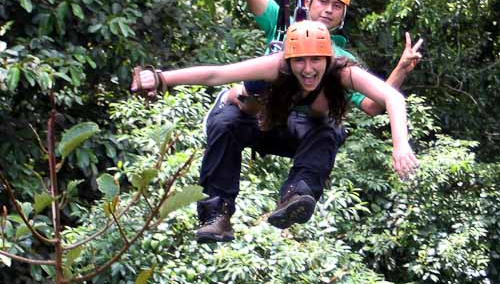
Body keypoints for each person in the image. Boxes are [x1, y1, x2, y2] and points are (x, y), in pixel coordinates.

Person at [132, 20, 418, 243]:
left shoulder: (342, 72)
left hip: (288, 129)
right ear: (288, 59)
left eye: (315, 60)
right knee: (225, 123)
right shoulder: (273, 67)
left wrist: (400, 144)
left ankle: (298, 194)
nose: (308, 69)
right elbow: (215, 75)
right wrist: (160, 78)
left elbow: (391, 98)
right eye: (300, 61)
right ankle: (216, 214)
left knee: (329, 131)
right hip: (246, 118)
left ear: (328, 59)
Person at [243, 0, 422, 114]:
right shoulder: (282, 22)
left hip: (301, 128)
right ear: (306, 2)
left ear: (342, 16)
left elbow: (372, 106)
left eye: (337, 6)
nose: (329, 10)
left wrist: (401, 69)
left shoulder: (342, 59)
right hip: (259, 112)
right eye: (323, 1)